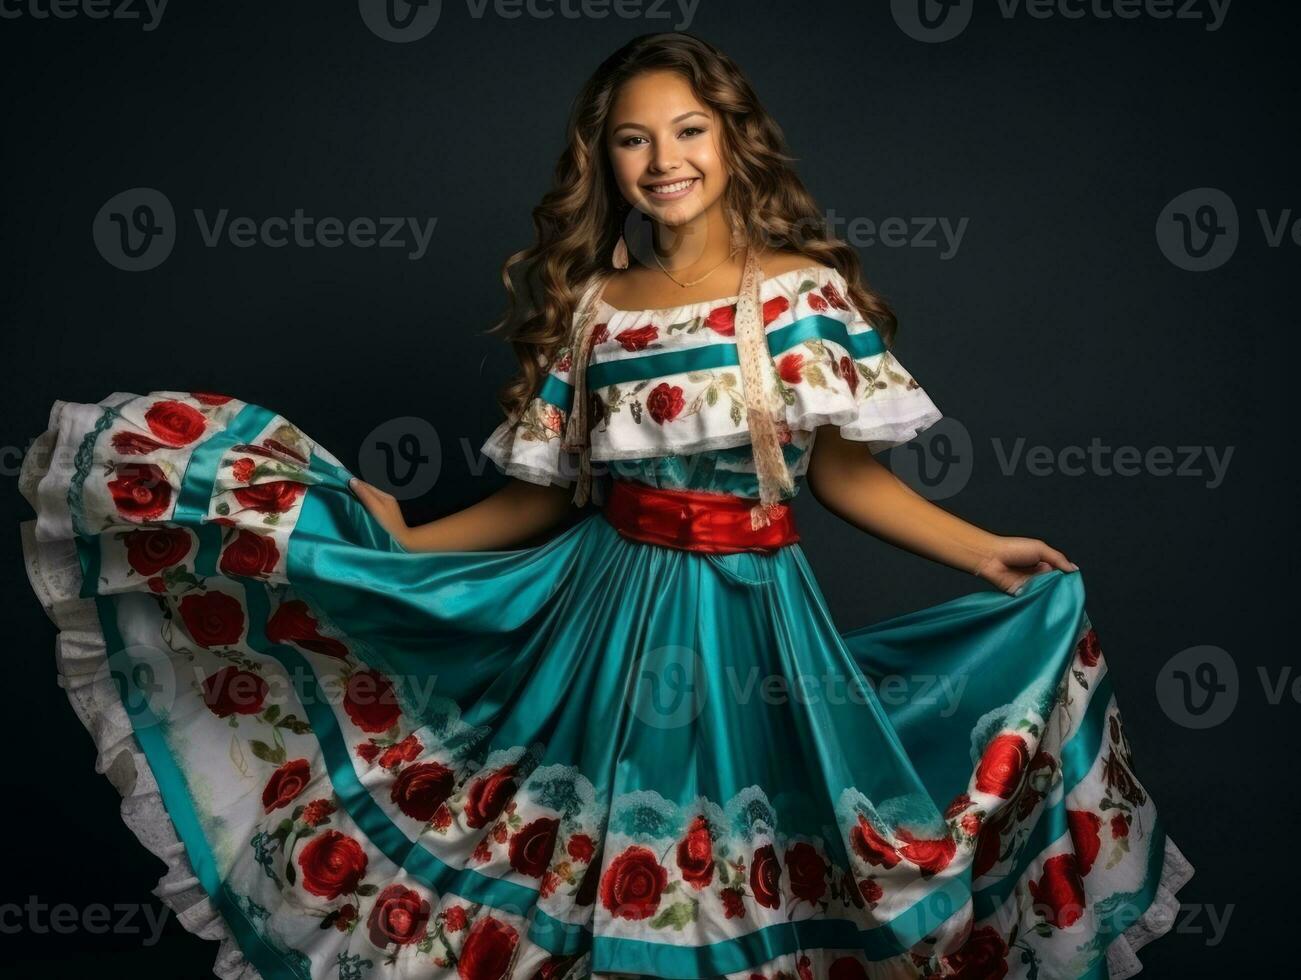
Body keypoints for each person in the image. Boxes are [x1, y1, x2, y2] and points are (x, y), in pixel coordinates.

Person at [19, 31, 1192, 980]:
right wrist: (410, 544)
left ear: (732, 142)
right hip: (596, 618)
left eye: (686, 130)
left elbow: (837, 473)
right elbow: (538, 499)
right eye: (632, 139)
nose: (661, 158)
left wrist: (978, 547)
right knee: (572, 881)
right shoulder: (596, 309)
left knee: (770, 872)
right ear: (604, 160)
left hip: (755, 627)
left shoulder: (799, 294)